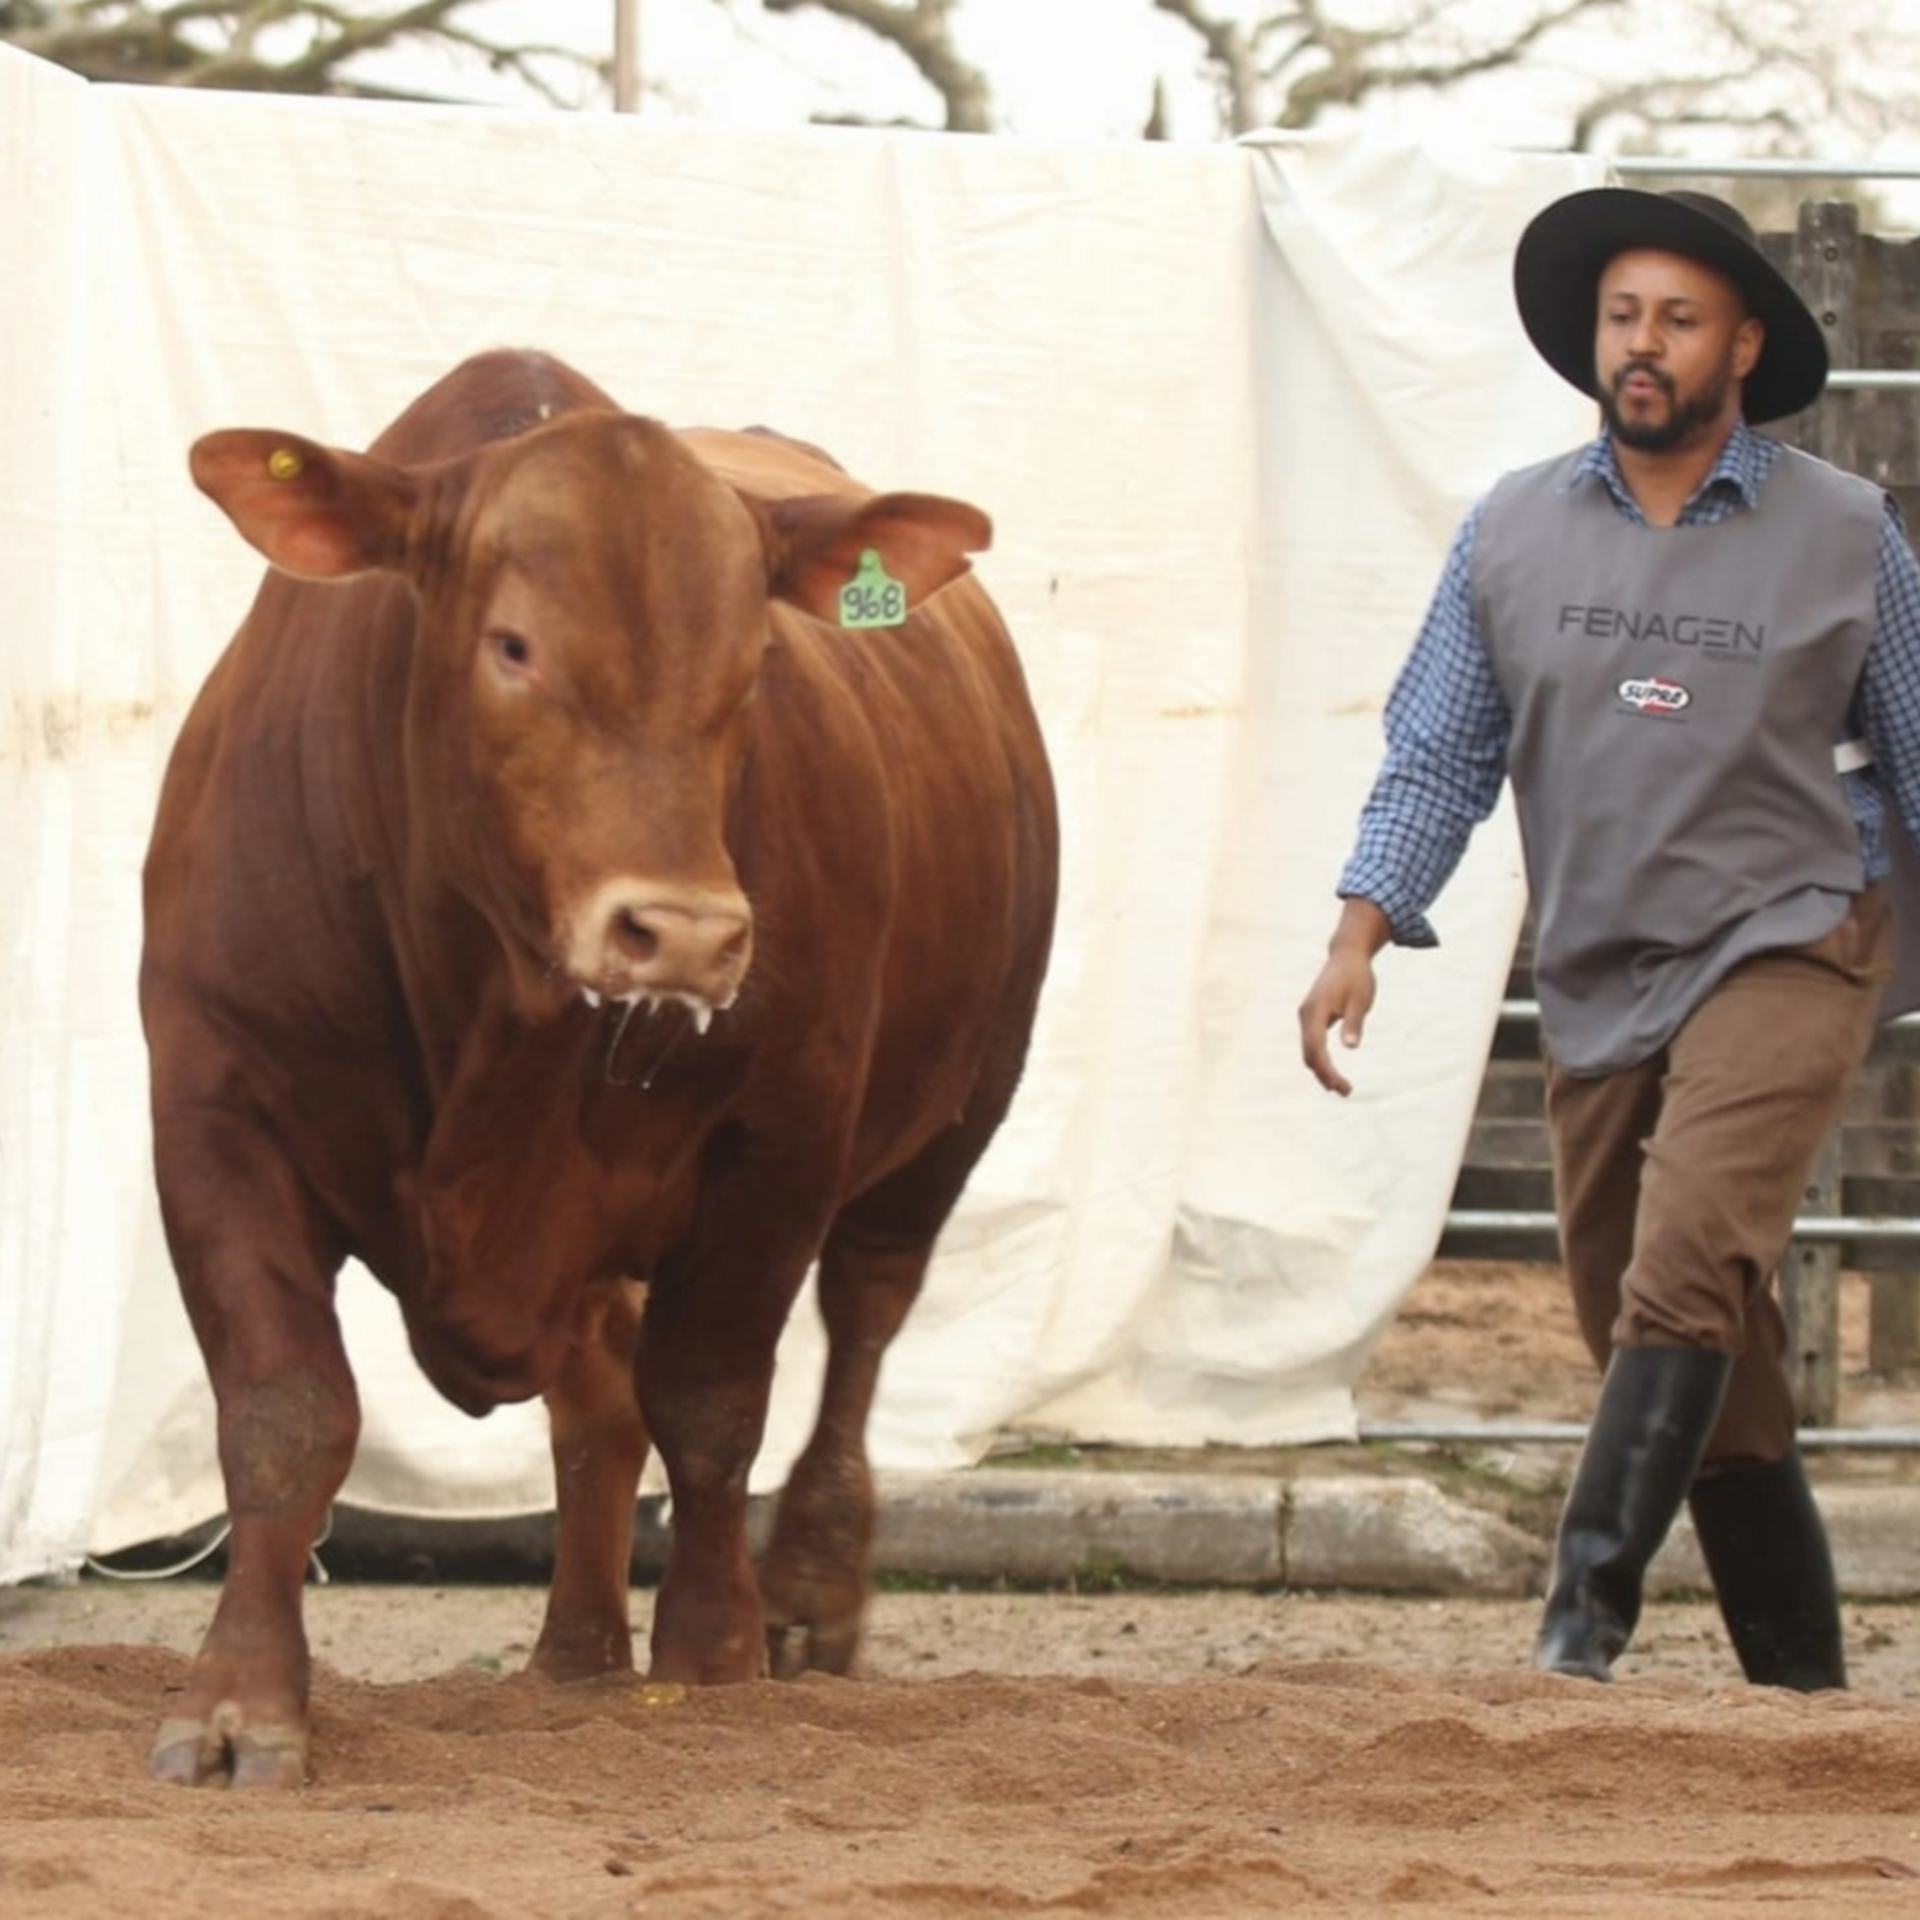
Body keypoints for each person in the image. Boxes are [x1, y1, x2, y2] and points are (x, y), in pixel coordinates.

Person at [1298, 185, 1920, 1692]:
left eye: (1679, 319)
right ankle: (1804, 1685)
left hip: (1792, 931)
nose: (1644, 347)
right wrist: (1358, 933)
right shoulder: (1512, 530)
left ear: (1742, 343)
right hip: (1596, 961)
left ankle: (1577, 1635)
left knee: (1692, 1255)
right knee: (1649, 1309)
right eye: (1624, 318)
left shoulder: (1845, 534)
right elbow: (1440, 751)